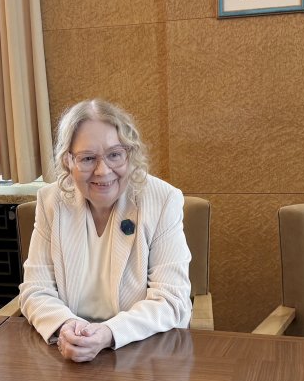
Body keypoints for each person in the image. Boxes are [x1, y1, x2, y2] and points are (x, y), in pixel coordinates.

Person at [19, 99, 192, 362]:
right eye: (88, 158)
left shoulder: (162, 199)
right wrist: (67, 326)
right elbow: (35, 289)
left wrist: (109, 333)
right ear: (68, 161)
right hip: (70, 353)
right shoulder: (52, 202)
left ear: (130, 154)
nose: (103, 171)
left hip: (144, 358)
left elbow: (171, 299)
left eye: (114, 154)